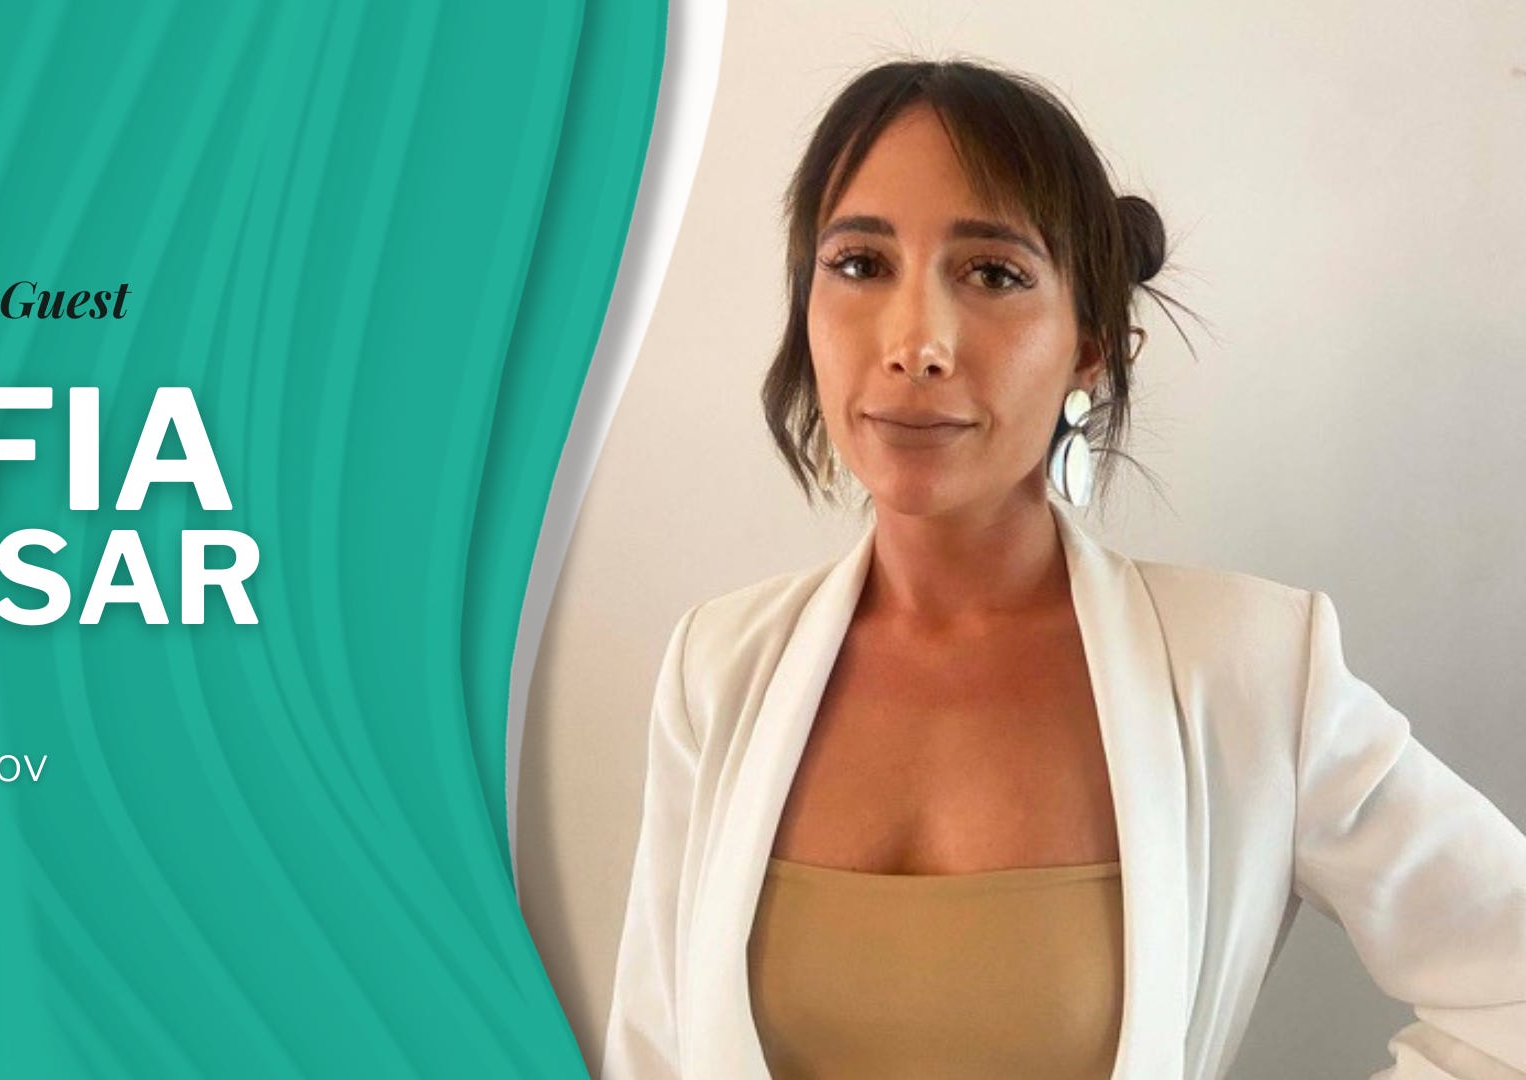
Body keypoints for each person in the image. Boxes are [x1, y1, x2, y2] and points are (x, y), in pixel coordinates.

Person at [599, 59, 1526, 1079]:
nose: (915, 343)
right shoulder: (719, 667)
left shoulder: (1250, 669)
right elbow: (655, 1051)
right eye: (860, 263)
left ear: (1091, 345)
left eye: (993, 274)